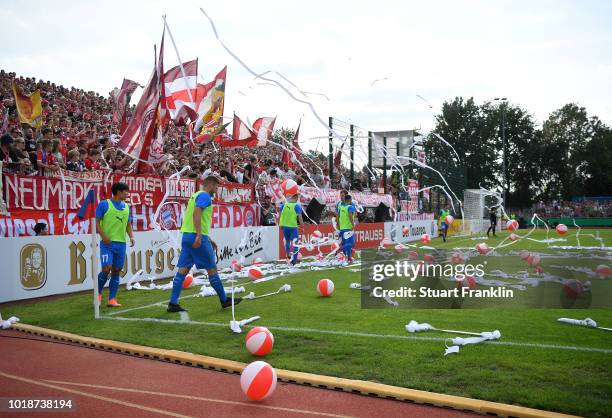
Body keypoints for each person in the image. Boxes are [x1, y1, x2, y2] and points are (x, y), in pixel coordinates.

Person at [168, 176, 239, 312]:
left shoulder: (195, 196)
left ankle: (173, 303)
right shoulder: (205, 196)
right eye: (216, 187)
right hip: (196, 236)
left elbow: (194, 217)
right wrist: (200, 235)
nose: (216, 190)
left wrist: (207, 238)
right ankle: (224, 300)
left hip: (187, 236)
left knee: (183, 270)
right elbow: (196, 214)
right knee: (212, 269)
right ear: (211, 185)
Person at [96, 182, 135, 307]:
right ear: (118, 192)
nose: (127, 194)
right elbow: (96, 223)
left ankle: (112, 299)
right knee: (106, 269)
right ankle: (98, 293)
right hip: (107, 244)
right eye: (125, 192)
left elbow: (128, 225)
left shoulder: (127, 207)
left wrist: (132, 237)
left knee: (117, 270)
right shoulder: (104, 204)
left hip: (121, 244)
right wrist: (104, 236)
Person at [279, 192, 304, 265]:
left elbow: (281, 216)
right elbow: (300, 217)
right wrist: (302, 226)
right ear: (295, 197)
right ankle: (294, 260)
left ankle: (288, 256)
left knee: (287, 242)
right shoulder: (297, 206)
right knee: (295, 244)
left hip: (285, 227)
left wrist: (280, 225)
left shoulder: (283, 205)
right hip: (293, 227)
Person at [338, 194, 357, 262]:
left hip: (342, 228)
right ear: (349, 200)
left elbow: (339, 216)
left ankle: (348, 257)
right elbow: (350, 216)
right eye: (351, 199)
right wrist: (353, 224)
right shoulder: (350, 207)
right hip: (349, 227)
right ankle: (339, 250)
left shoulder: (341, 207)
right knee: (351, 243)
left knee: (347, 242)